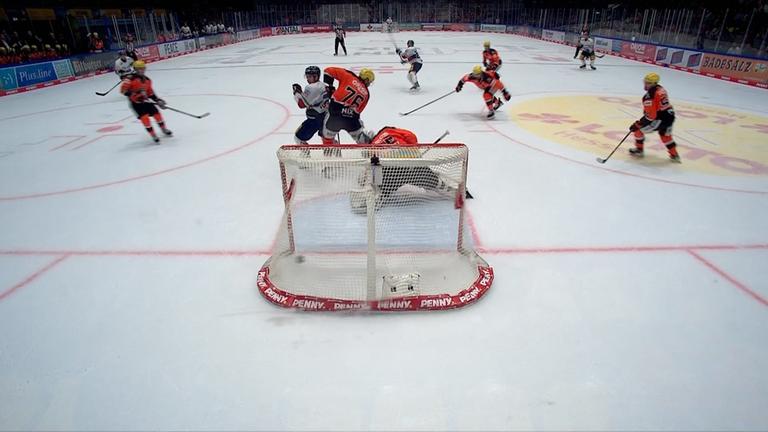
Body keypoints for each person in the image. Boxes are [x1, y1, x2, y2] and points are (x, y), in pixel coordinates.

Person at [350, 126, 459, 212]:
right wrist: (413, 149)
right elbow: (411, 136)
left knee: (377, 177)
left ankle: (377, 195)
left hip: (392, 173)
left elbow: (371, 170)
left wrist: (368, 182)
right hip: (411, 164)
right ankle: (453, 190)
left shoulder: (370, 149)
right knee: (436, 183)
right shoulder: (388, 130)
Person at [628, 73, 680, 162]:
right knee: (665, 136)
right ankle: (674, 155)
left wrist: (639, 124)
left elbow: (651, 116)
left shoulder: (649, 96)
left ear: (654, 83)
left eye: (648, 83)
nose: (645, 84)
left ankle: (639, 150)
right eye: (645, 82)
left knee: (637, 130)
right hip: (670, 115)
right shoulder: (660, 88)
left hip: (660, 119)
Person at [119, 60, 172, 143]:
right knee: (145, 118)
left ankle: (163, 129)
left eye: (143, 68)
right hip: (136, 104)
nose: (141, 70)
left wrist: (158, 100)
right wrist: (134, 95)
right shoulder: (129, 79)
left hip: (146, 101)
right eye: (139, 69)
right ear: (135, 69)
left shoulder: (147, 80)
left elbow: (150, 93)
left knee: (157, 114)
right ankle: (153, 135)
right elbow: (123, 90)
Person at [321, 67, 374, 144]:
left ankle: (330, 154)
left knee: (327, 138)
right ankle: (369, 151)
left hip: (335, 115)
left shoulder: (349, 76)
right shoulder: (366, 94)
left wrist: (329, 87)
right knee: (361, 138)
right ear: (366, 80)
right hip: (352, 119)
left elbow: (328, 71)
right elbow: (359, 111)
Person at [292, 66, 329, 144]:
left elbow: (302, 105)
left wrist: (296, 93)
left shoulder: (311, 87)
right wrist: (301, 93)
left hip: (314, 120)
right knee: (326, 139)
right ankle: (333, 152)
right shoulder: (322, 85)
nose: (308, 79)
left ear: (316, 76)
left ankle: (306, 155)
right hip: (325, 117)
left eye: (309, 76)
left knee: (298, 138)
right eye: (307, 76)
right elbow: (312, 99)